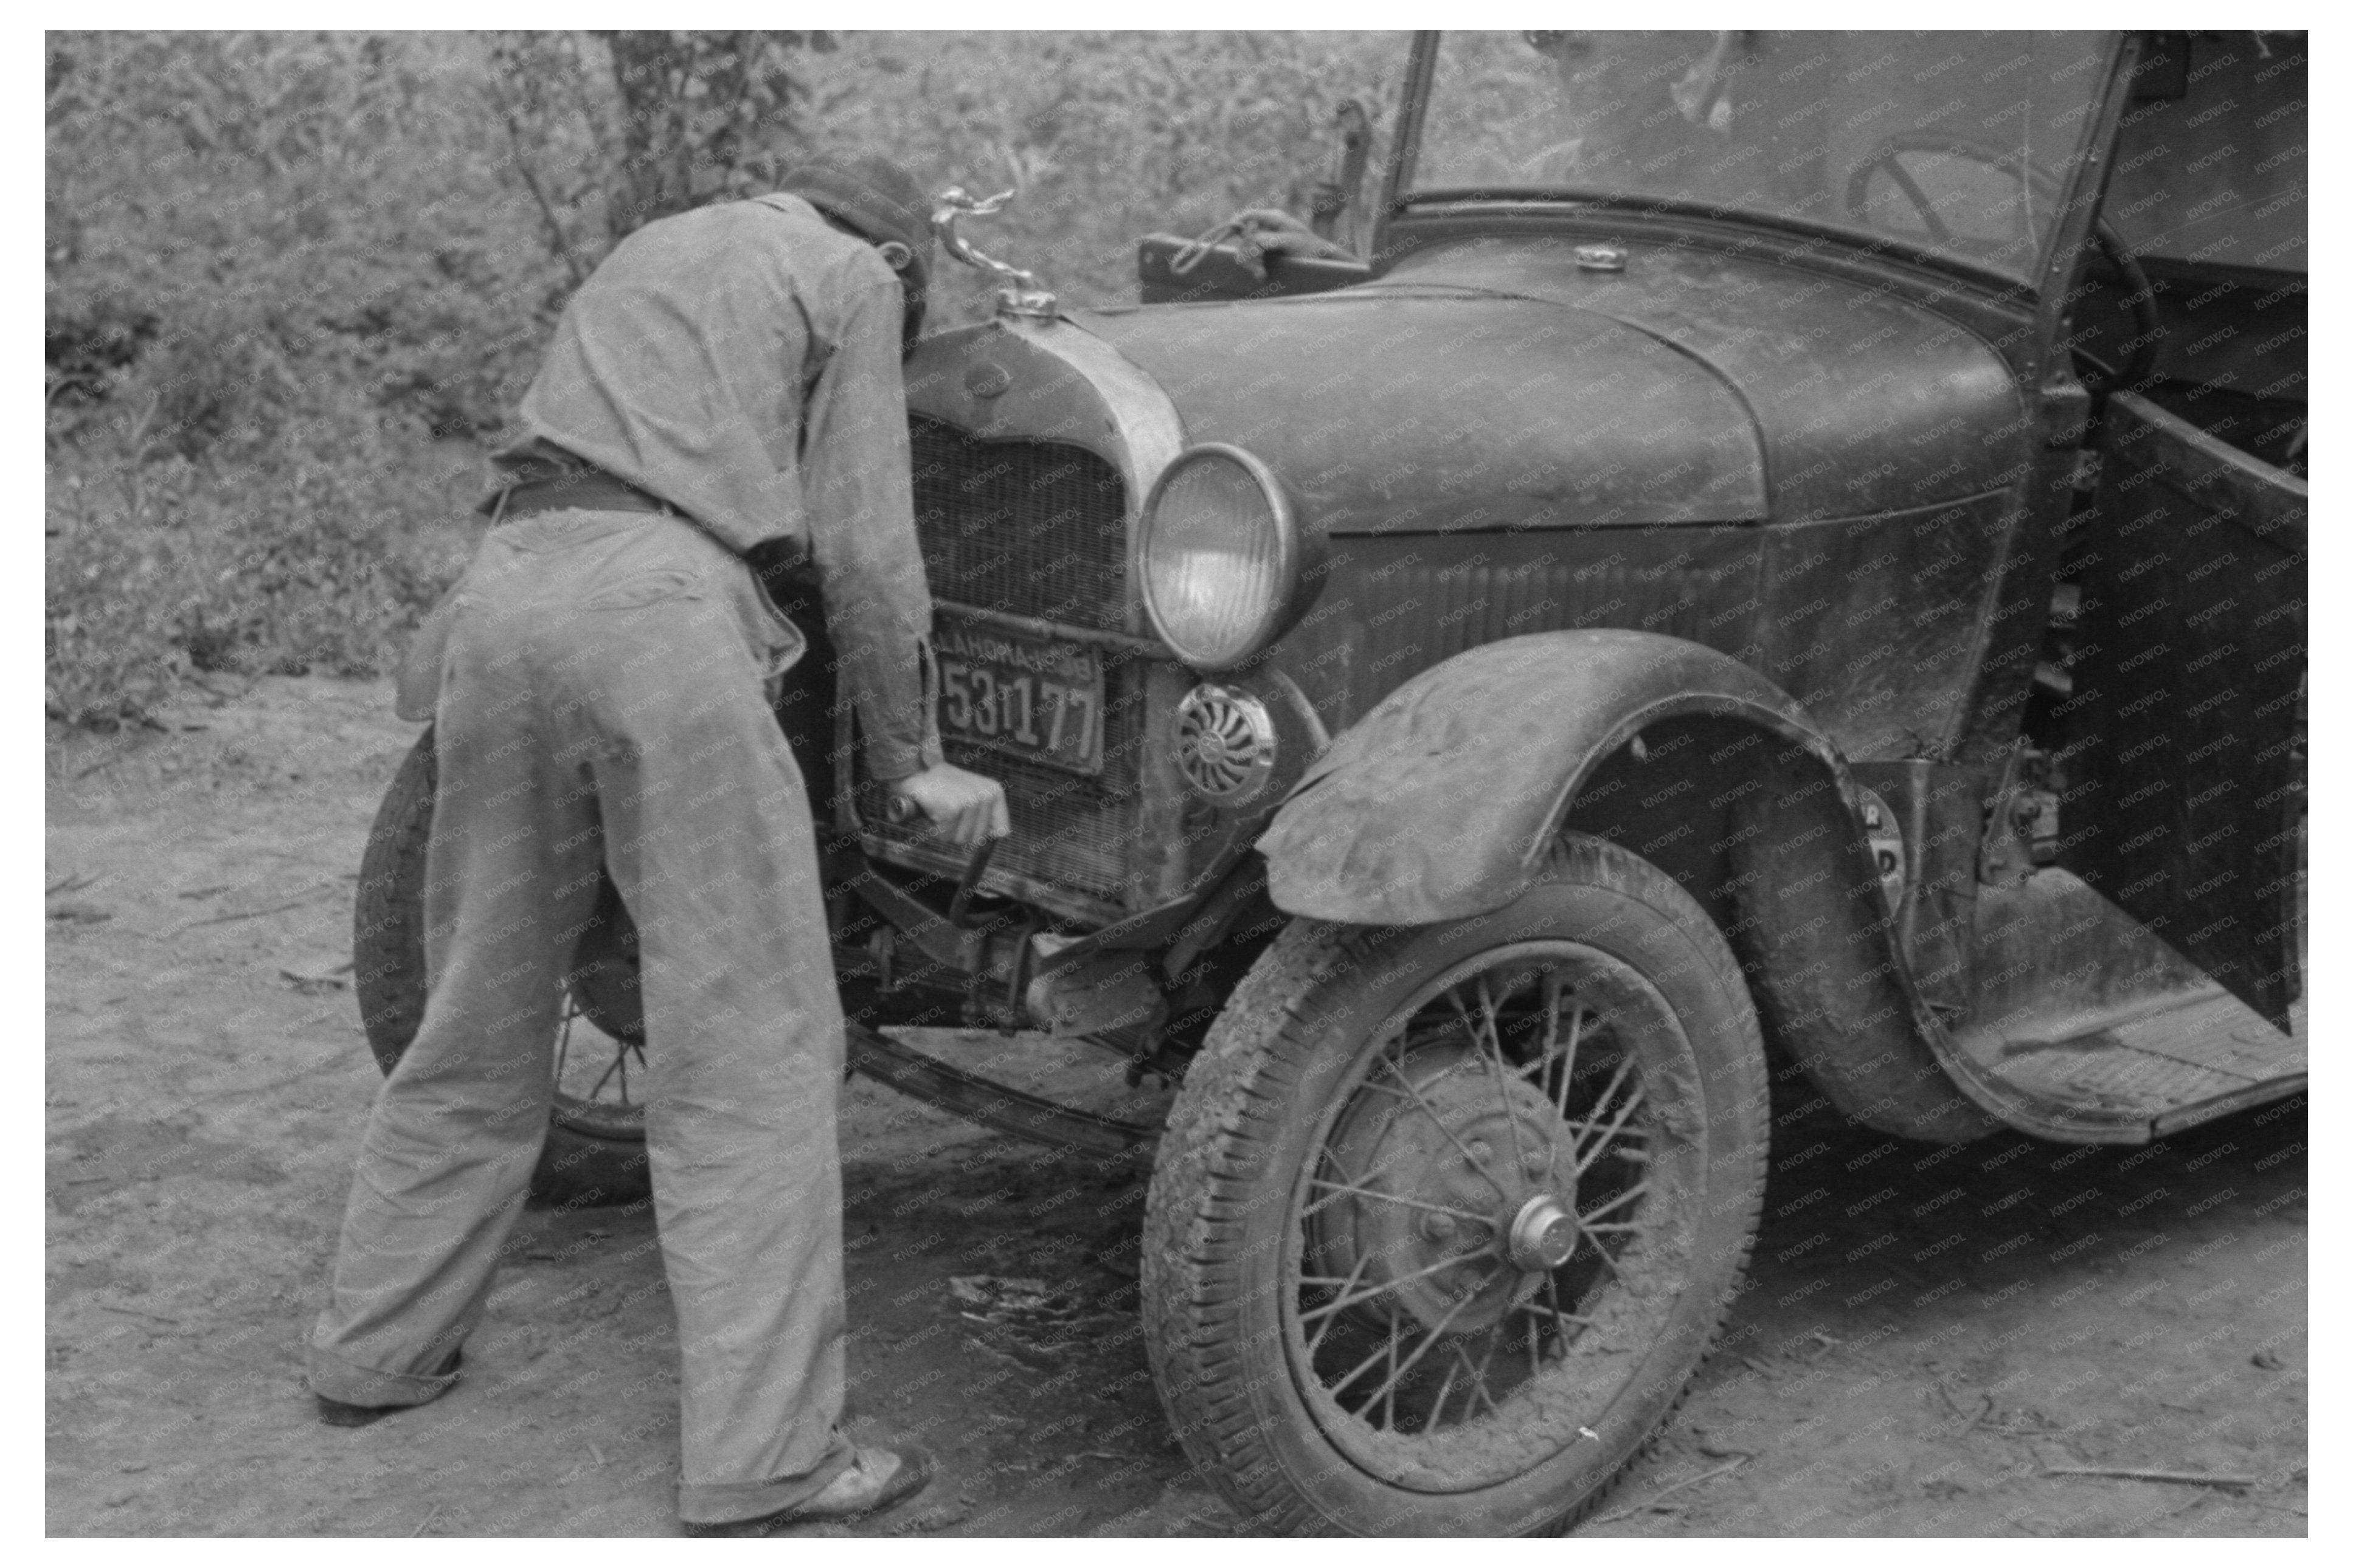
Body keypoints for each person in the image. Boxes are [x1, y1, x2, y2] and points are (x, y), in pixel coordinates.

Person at [305, 154, 1008, 1533]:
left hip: (506, 598)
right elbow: (865, 548)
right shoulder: (857, 277)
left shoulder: (663, 240)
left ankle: (375, 1347)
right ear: (903, 252)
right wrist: (915, 760)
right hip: (660, 615)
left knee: (478, 1008)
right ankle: (770, 1455)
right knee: (750, 1044)